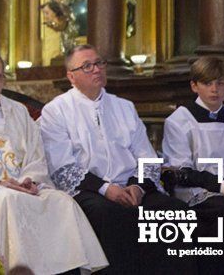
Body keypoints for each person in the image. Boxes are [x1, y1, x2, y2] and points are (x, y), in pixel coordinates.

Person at [40, 44, 195, 273]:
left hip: (132, 188)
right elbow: (62, 167)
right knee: (113, 216)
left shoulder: (124, 107)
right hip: (89, 191)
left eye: (99, 63)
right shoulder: (56, 111)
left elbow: (147, 156)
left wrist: (138, 186)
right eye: (87, 66)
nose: (96, 69)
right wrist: (107, 189)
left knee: (177, 212)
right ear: (70, 76)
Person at [0, 52, 107, 273]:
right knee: (7, 199)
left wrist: (27, 180)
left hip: (24, 185)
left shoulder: (18, 111)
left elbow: (36, 155)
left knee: (62, 201)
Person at [162, 56, 224, 271]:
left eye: (220, 83)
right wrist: (222, 187)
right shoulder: (180, 121)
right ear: (194, 86)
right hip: (196, 190)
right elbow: (181, 171)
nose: (214, 89)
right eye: (207, 83)